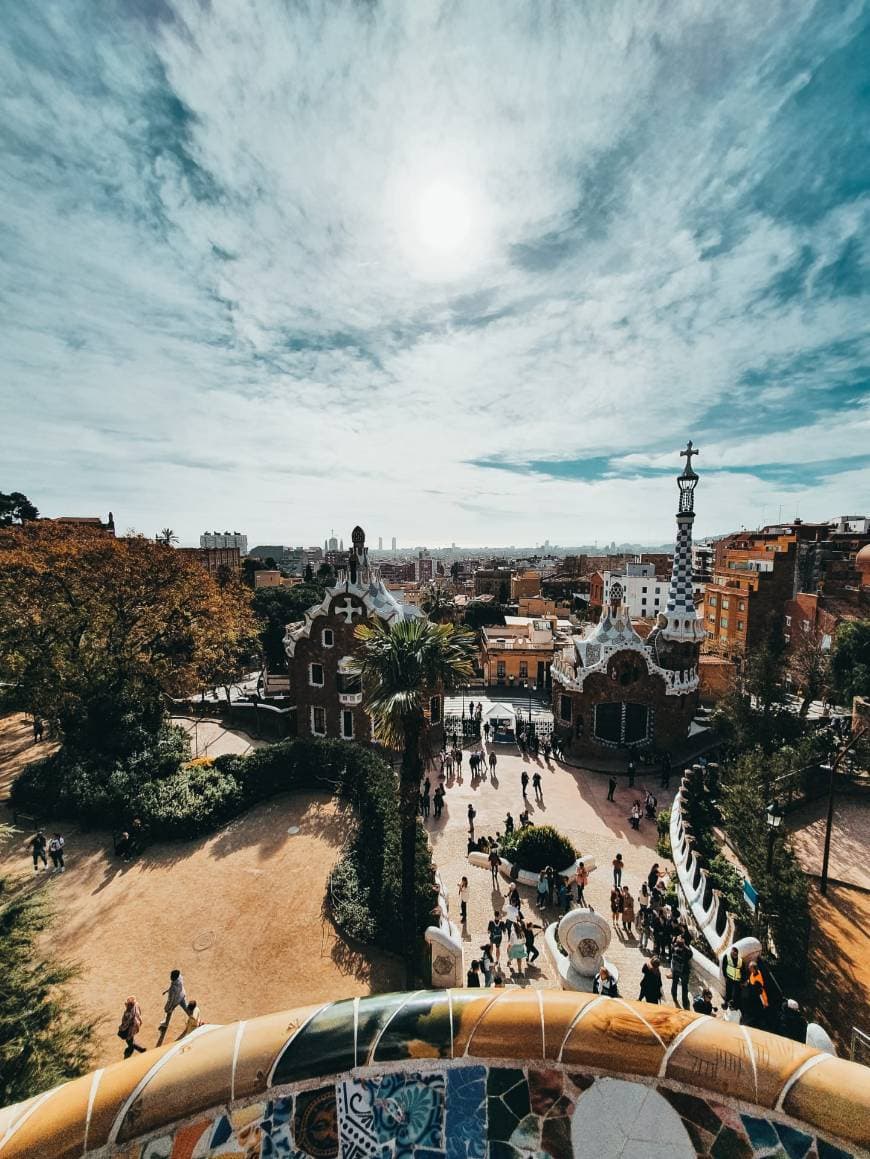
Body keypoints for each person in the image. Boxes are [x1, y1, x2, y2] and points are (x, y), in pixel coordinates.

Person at [742, 962, 769, 1029]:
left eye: (750, 967)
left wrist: (748, 985)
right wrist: (748, 982)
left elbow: (757, 989)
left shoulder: (758, 979)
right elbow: (751, 980)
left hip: (760, 995)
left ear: (754, 969)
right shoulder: (755, 972)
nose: (748, 968)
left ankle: (763, 1024)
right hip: (755, 994)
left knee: (761, 1009)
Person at [670, 936, 693, 1009]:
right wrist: (685, 945)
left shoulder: (674, 948)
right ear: (683, 944)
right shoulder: (686, 951)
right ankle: (685, 1002)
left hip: (675, 970)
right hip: (684, 971)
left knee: (674, 983)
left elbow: (672, 948)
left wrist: (676, 942)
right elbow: (691, 954)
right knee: (684, 987)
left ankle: (674, 996)